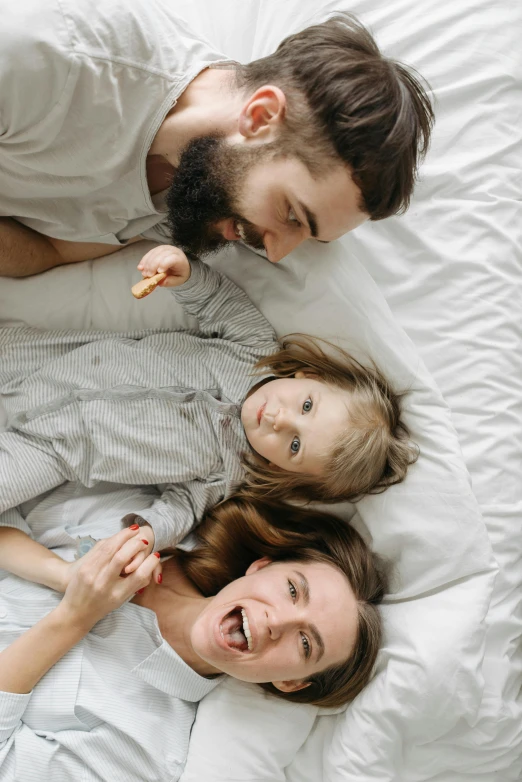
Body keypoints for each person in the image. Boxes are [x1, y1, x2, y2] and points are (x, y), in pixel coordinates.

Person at [0, 247, 417, 556]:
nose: (279, 419)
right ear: (309, 377)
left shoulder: (227, 472)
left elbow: (183, 508)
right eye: (305, 405)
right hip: (51, 361)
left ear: (282, 470)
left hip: (53, 448)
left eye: (294, 444)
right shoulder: (253, 350)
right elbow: (218, 301)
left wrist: (148, 533)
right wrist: (185, 273)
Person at [0, 0, 434, 276]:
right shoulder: (51, 56)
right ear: (261, 116)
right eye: (293, 217)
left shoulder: (195, 188)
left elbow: (49, 251)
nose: (277, 253)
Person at [0, 495, 386, 781]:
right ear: (261, 566)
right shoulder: (159, 520)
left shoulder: (144, 749)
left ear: (289, 683)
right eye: (292, 590)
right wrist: (60, 573)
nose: (277, 621)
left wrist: (74, 618)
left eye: (305, 644)